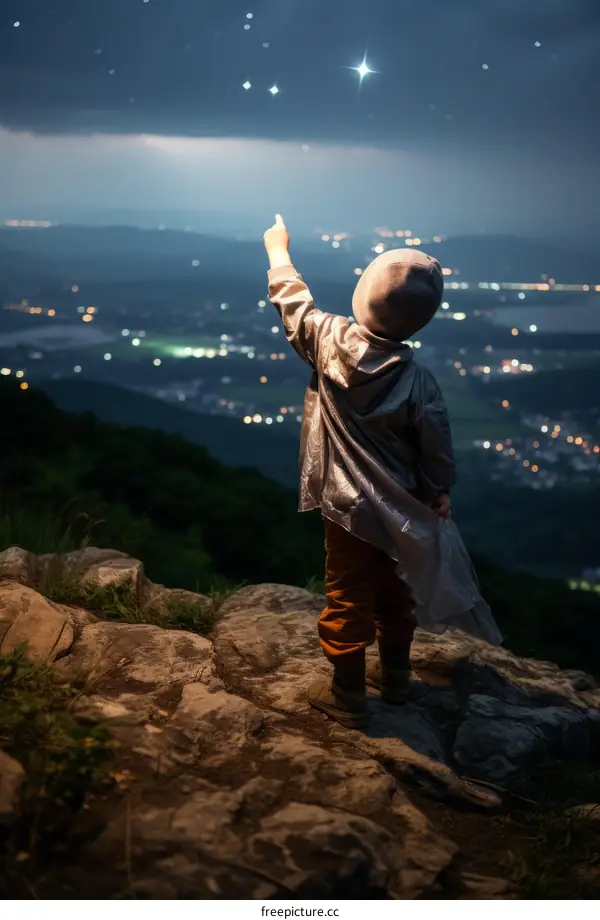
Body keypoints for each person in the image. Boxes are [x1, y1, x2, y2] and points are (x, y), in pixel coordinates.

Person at [264, 214, 501, 730]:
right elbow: (436, 447)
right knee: (397, 589)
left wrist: (277, 250)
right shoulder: (421, 383)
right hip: (403, 506)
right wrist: (439, 491)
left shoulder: (326, 340)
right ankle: (394, 678)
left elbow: (292, 303)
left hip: (345, 505)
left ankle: (347, 692)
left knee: (347, 590)